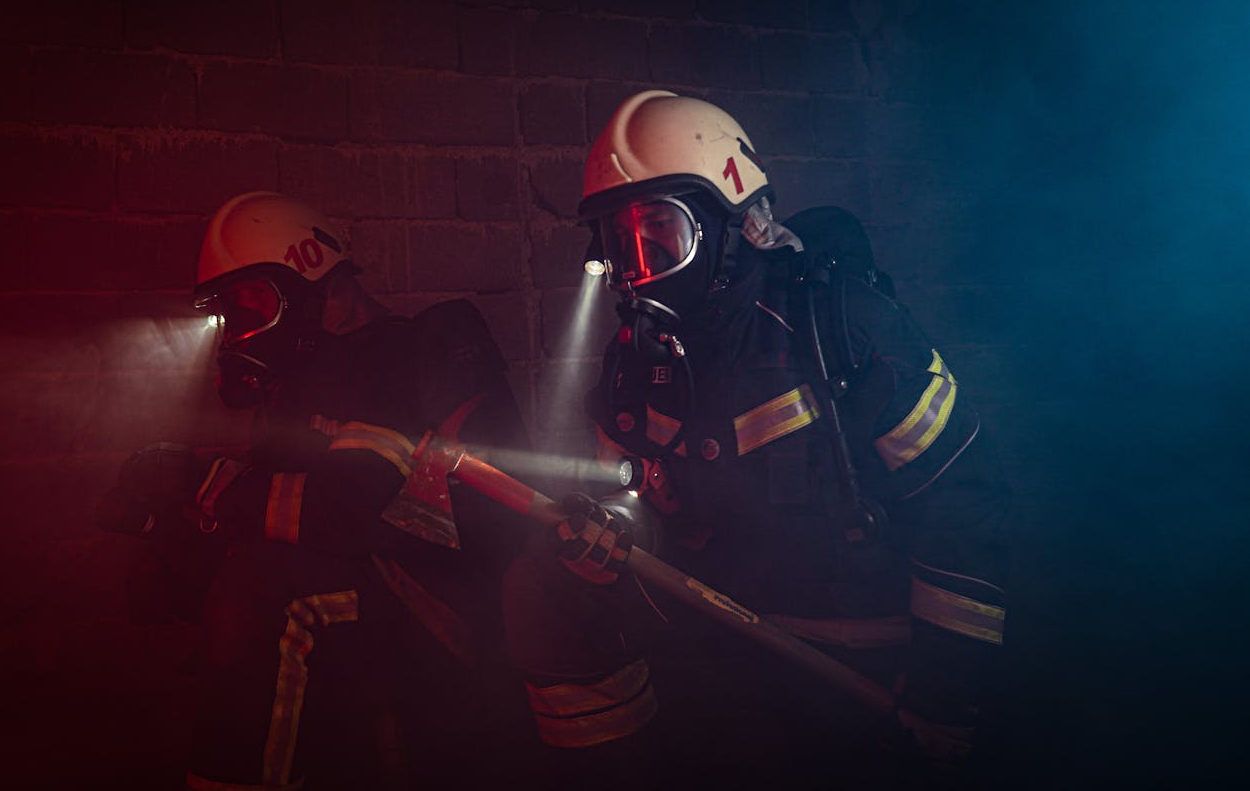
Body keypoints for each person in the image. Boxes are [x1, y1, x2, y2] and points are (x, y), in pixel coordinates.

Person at [502, 91, 1011, 788]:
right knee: (542, 583)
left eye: (660, 235)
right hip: (717, 650)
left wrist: (945, 698)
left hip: (861, 669)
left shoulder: (843, 329)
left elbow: (965, 502)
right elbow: (627, 500)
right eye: (620, 245)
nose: (637, 267)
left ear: (729, 224)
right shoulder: (635, 366)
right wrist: (610, 535)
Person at [97, 192, 534, 790]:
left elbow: (365, 514)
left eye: (254, 307)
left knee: (258, 592)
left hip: (444, 598)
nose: (240, 334)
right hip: (370, 587)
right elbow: (283, 506)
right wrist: (177, 530)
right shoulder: (303, 383)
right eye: (231, 315)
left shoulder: (420, 353)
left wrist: (212, 486)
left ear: (313, 284)